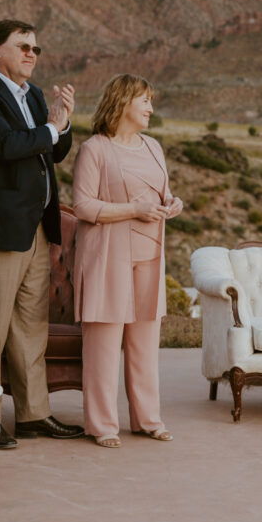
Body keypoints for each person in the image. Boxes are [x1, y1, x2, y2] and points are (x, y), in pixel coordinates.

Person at [0, 18, 84, 449]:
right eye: (23, 46)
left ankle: (33, 415)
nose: (32, 54)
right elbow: (6, 147)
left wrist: (62, 126)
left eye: (36, 49)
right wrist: (49, 129)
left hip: (36, 229)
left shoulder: (36, 96)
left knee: (30, 328)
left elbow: (54, 153)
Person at [72, 74, 183, 448]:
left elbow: (162, 193)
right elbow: (83, 206)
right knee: (103, 345)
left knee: (145, 344)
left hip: (150, 254)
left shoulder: (154, 147)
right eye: (145, 100)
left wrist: (172, 203)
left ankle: (148, 420)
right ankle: (103, 425)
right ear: (123, 103)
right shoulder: (95, 150)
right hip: (108, 257)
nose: (151, 108)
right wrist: (133, 209)